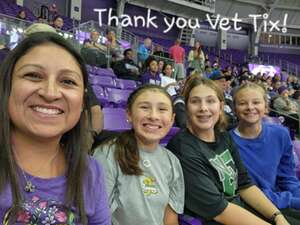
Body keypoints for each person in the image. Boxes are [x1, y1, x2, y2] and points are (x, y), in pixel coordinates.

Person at [0, 32, 111, 224]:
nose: (50, 93)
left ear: (83, 98)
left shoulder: (91, 171)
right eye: (33, 75)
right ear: (7, 86)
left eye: (68, 81)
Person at [167, 76, 290, 225]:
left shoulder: (224, 137)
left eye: (210, 101)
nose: (203, 108)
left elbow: (245, 185)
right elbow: (219, 210)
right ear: (186, 107)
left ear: (220, 106)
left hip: (241, 211)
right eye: (195, 101)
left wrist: (277, 216)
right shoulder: (182, 147)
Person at [93, 84, 185, 225]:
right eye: (144, 107)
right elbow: (97, 218)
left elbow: (170, 219)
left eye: (162, 109)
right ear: (129, 114)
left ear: (172, 119)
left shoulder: (172, 161)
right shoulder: (107, 154)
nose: (153, 116)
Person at [230, 82, 300, 224]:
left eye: (256, 102)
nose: (250, 107)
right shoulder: (227, 142)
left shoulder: (280, 133)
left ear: (265, 107)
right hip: (252, 208)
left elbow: (287, 177)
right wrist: (292, 201)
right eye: (243, 103)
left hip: (282, 201)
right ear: (235, 109)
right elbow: (244, 191)